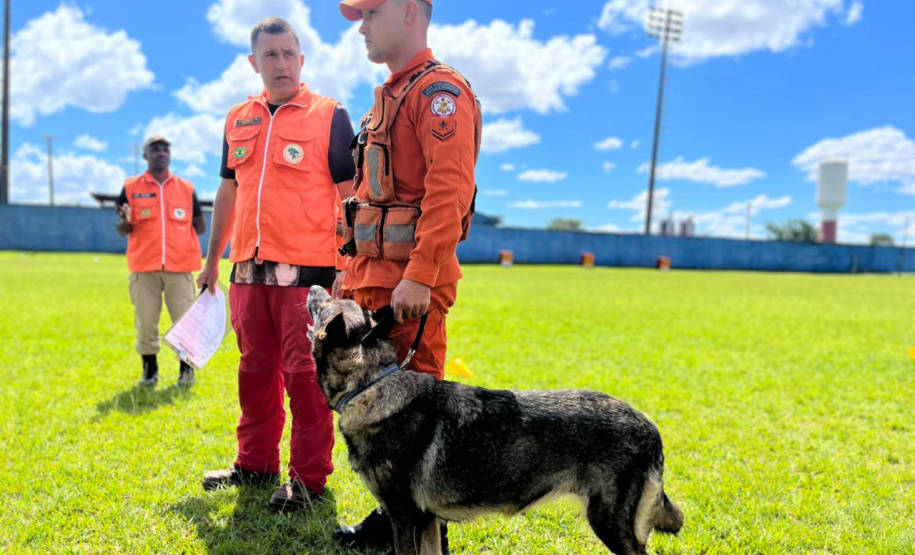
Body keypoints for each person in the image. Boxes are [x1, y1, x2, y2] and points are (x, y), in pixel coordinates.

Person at [333, 0, 482, 550]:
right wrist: (346, 277)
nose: (363, 27)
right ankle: (390, 517)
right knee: (379, 418)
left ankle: (428, 536)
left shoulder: (437, 92)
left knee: (415, 423)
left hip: (408, 293)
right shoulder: (386, 99)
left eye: (371, 13)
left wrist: (420, 275)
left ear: (410, 12)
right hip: (373, 283)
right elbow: (365, 201)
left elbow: (450, 190)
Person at [196, 17, 357, 512]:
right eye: (270, 55)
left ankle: (308, 480)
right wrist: (211, 260)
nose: (281, 63)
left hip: (307, 279)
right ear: (254, 62)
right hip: (246, 273)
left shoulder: (330, 115)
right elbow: (227, 191)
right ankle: (254, 464)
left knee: (306, 379)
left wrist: (350, 266)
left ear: (302, 59)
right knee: (254, 373)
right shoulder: (237, 119)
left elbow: (351, 195)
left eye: (289, 53)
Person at [116, 136, 206, 388]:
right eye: (155, 149)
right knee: (146, 322)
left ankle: (186, 372)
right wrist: (126, 222)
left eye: (165, 148)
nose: (161, 153)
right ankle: (150, 371)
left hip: (180, 268)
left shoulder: (185, 188)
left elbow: (200, 226)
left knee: (185, 322)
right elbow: (122, 228)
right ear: (145, 155)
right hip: (144, 268)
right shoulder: (130, 187)